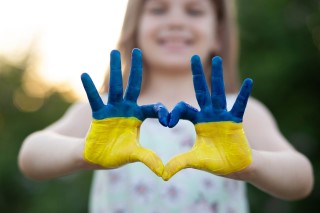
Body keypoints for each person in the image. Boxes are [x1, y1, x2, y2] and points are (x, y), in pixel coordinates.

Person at [18, 0, 313, 212]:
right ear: (136, 26)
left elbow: (301, 178)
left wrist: (250, 164)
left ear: (217, 32)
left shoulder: (237, 115)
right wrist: (83, 152)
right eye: (158, 9)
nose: (175, 21)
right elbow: (31, 155)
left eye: (194, 10)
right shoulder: (107, 114)